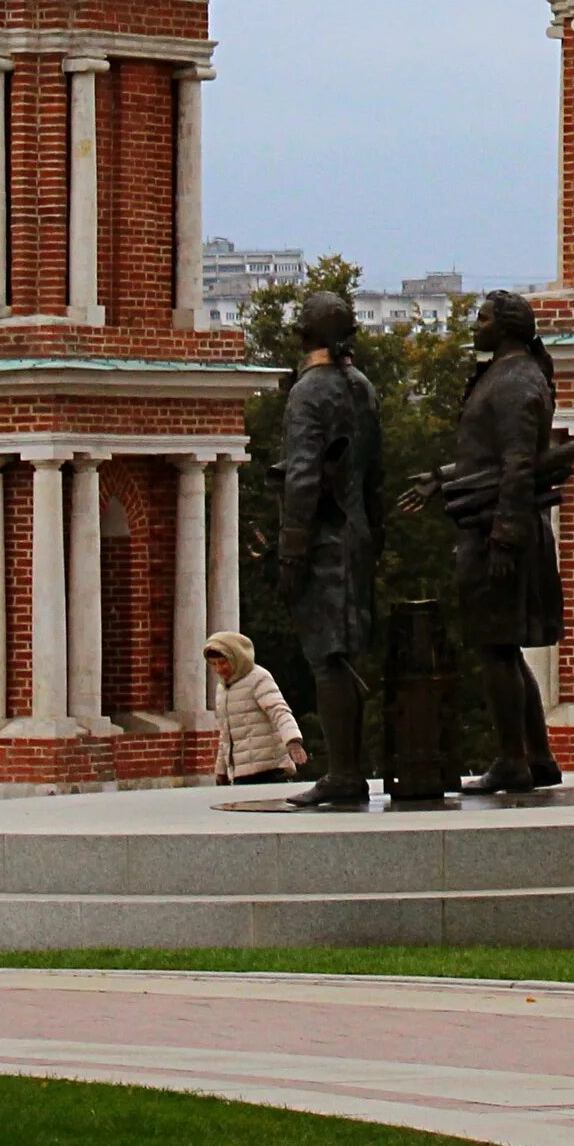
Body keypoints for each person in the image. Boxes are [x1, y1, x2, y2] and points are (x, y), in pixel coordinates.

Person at [443, 289, 570, 794]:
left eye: (483, 317)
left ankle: (512, 761)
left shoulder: (517, 380)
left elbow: (518, 464)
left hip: (501, 529)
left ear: (507, 326)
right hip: (498, 524)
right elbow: (490, 461)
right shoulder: (505, 374)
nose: (476, 325)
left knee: (494, 647)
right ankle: (535, 757)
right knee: (505, 649)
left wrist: (503, 538)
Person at [279, 288, 385, 807]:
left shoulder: (309, 391)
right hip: (358, 533)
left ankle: (344, 773)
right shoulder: (361, 386)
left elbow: (302, 475)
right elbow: (376, 476)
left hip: (323, 537)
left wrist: (291, 547)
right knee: (342, 654)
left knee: (327, 656)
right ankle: (347, 767)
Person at [203, 632, 307, 785]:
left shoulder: (258, 678)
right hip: (241, 772)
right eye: (213, 664)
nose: (218, 669)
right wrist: (222, 771)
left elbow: (279, 710)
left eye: (223, 662)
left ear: (236, 657)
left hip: (270, 769)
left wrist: (293, 741)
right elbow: (226, 734)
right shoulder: (222, 688)